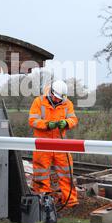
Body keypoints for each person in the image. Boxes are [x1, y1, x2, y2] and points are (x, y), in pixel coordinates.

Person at [28, 80, 79, 208]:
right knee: (41, 174)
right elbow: (32, 121)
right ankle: (43, 202)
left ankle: (70, 202)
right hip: (42, 144)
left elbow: (73, 119)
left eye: (59, 99)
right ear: (51, 93)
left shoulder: (67, 103)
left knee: (67, 173)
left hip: (60, 144)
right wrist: (46, 125)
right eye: (56, 98)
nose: (57, 101)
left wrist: (67, 123)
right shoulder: (39, 102)